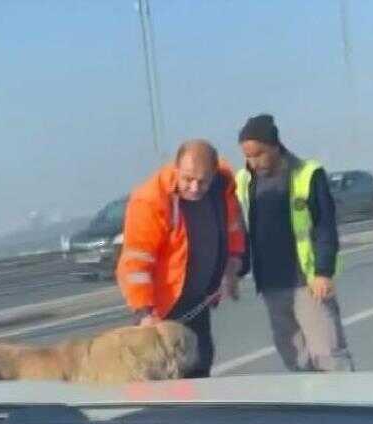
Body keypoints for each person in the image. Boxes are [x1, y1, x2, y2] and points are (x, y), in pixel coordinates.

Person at [116, 139, 247, 378]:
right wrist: (146, 314)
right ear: (176, 168)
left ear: (214, 173)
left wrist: (233, 264)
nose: (195, 187)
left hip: (199, 300)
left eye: (203, 181)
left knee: (201, 361)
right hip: (163, 309)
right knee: (167, 375)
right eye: (188, 179)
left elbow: (233, 228)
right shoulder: (151, 201)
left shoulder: (222, 188)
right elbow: (135, 264)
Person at [235, 114, 354, 372]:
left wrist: (323, 272)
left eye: (258, 154)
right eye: (247, 156)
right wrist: (237, 270)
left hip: (306, 282)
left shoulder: (307, 174)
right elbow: (242, 230)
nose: (252, 162)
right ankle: (310, 408)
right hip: (271, 284)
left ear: (275, 145)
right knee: (294, 356)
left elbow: (325, 225)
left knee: (328, 352)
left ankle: (345, 406)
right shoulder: (244, 181)